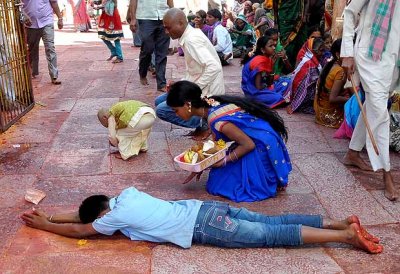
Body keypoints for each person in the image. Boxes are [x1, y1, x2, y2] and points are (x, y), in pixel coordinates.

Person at [21, 186, 383, 254]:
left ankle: (346, 236)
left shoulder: (115, 215)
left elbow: (84, 227)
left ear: (105, 213)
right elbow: (85, 215)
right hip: (206, 209)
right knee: (274, 219)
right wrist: (51, 213)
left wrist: (46, 226)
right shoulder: (126, 195)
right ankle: (337, 222)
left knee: (273, 236)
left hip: (203, 227)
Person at [167, 80, 291, 202]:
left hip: (260, 147)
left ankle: (264, 175)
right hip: (260, 138)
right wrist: (202, 163)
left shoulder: (217, 120)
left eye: (175, 110)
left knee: (219, 186)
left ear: (187, 105)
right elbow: (221, 142)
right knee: (218, 177)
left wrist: (223, 162)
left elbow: (248, 145)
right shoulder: (211, 102)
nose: (176, 114)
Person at [340, 0, 399, 201]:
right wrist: (347, 53)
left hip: (393, 61)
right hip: (370, 56)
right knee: (380, 111)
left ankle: (353, 152)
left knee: (374, 105)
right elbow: (349, 13)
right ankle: (386, 174)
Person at [156, 8, 225, 140]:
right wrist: (180, 84)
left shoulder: (191, 40)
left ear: (181, 23)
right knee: (159, 100)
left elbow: (214, 67)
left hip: (208, 94)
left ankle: (205, 121)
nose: (166, 32)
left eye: (168, 28)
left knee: (162, 110)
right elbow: (195, 70)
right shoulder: (189, 36)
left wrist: (191, 91)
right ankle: (200, 119)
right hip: (201, 87)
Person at [129, 0, 173, 92]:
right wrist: (133, 18)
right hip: (145, 17)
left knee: (162, 53)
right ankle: (143, 72)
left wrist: (173, 15)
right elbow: (133, 1)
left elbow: (170, 1)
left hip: (164, 16)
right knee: (147, 49)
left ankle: (161, 84)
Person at [241, 35, 291, 108]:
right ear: (263, 50)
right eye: (270, 46)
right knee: (277, 97)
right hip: (253, 92)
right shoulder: (259, 61)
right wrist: (269, 88)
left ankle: (274, 94)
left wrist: (272, 66)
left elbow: (269, 82)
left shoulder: (267, 59)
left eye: (274, 45)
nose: (274, 48)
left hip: (263, 87)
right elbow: (258, 87)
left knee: (287, 82)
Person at [22, 0, 64, 85]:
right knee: (32, 49)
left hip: (47, 21)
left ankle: (54, 75)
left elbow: (54, 2)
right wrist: (24, 15)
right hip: (30, 24)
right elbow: (17, 5)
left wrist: (60, 18)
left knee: (50, 47)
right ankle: (33, 71)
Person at [314, 38, 350, 128]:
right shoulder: (340, 71)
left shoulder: (330, 63)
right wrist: (351, 101)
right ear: (338, 54)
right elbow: (333, 98)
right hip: (330, 115)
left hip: (319, 112)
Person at [286, 37, 325, 114]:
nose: (323, 53)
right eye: (321, 51)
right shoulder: (310, 64)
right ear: (313, 50)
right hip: (302, 95)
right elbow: (305, 86)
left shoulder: (310, 59)